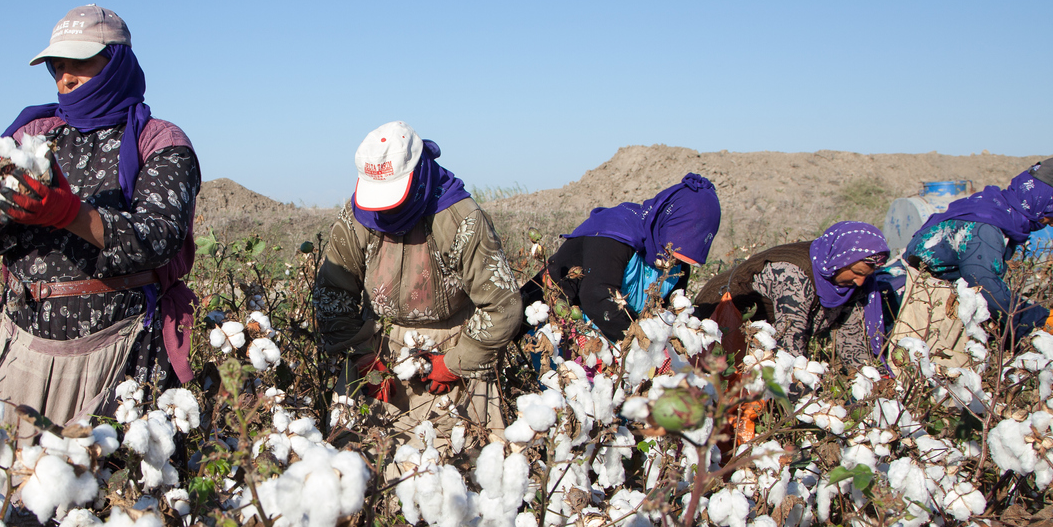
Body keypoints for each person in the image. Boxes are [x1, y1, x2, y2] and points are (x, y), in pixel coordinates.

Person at [0, 5, 200, 527]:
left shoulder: (159, 140)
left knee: (92, 521)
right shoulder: (34, 134)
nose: (65, 77)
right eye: (56, 66)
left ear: (117, 62)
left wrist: (71, 215)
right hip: (22, 351)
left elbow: (159, 236)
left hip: (113, 356)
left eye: (80, 63)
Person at [314, 121, 521, 449]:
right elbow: (331, 291)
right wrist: (364, 354)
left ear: (417, 175)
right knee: (358, 462)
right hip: (379, 354)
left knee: (454, 466)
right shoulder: (357, 218)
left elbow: (502, 305)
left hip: (452, 353)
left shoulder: (459, 219)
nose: (384, 210)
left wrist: (456, 363)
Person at [898, 160, 1053, 349]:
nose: (1052, 223)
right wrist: (1039, 318)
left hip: (923, 298)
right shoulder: (986, 226)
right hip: (913, 303)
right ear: (1040, 201)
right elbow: (983, 283)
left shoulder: (994, 209)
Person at [521, 173, 722, 343]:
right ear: (665, 226)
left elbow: (672, 311)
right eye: (671, 253)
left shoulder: (678, 265)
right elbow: (597, 299)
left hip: (613, 337)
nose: (673, 263)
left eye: (683, 259)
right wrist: (645, 345)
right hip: (554, 326)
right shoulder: (615, 233)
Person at [694, 222, 890, 370]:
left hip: (760, 338)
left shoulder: (851, 284)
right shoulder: (793, 274)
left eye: (866, 275)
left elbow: (853, 344)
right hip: (721, 319)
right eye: (856, 272)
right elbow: (789, 345)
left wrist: (870, 387)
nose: (860, 281)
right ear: (839, 260)